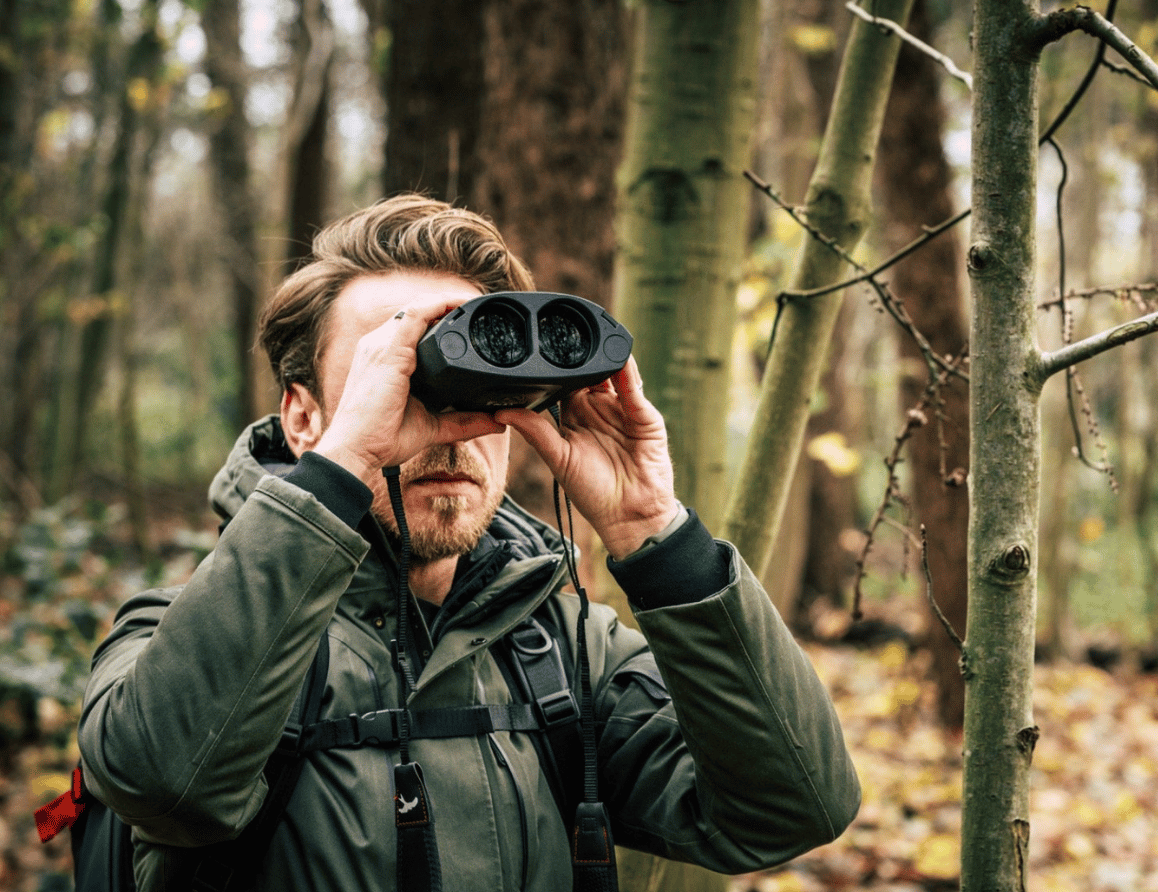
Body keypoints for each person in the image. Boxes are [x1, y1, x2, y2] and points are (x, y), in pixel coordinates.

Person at [76, 195, 860, 891]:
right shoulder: (173, 635)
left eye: (468, 382)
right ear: (304, 416)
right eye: (395, 376)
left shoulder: (565, 652)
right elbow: (160, 780)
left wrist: (654, 531)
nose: (446, 431)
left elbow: (790, 810)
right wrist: (344, 464)